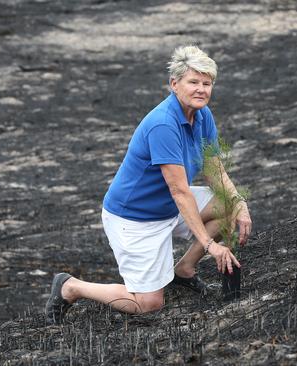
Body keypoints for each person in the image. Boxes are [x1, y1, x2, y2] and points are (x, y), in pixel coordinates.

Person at [45, 45, 252, 324]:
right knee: (148, 304)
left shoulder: (202, 116)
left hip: (169, 206)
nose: (201, 89)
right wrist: (210, 245)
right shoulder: (163, 125)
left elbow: (215, 170)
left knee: (227, 204)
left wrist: (240, 203)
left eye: (207, 83)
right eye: (194, 82)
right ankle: (71, 286)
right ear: (174, 84)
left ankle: (185, 271)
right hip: (135, 218)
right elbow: (180, 191)